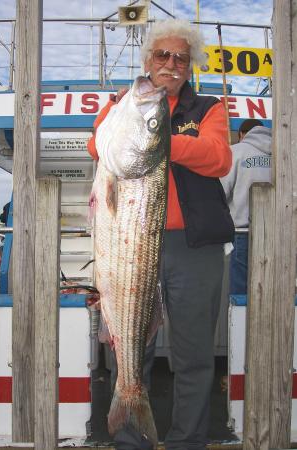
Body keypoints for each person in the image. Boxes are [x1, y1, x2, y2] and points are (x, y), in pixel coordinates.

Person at [87, 18, 234, 450]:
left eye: (181, 58)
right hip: (127, 246)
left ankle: (188, 440)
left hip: (193, 248)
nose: (171, 64)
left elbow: (218, 158)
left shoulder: (207, 108)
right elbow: (99, 146)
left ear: (191, 67)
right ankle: (131, 438)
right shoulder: (126, 103)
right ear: (147, 60)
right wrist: (132, 118)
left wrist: (158, 137)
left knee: (193, 354)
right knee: (130, 345)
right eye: (162, 55)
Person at [220, 119, 272, 295]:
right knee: (271, 287)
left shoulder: (235, 152)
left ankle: (240, 323)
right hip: (276, 235)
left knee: (240, 291)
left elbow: (221, 193)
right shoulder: (281, 153)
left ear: (242, 135)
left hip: (241, 234)